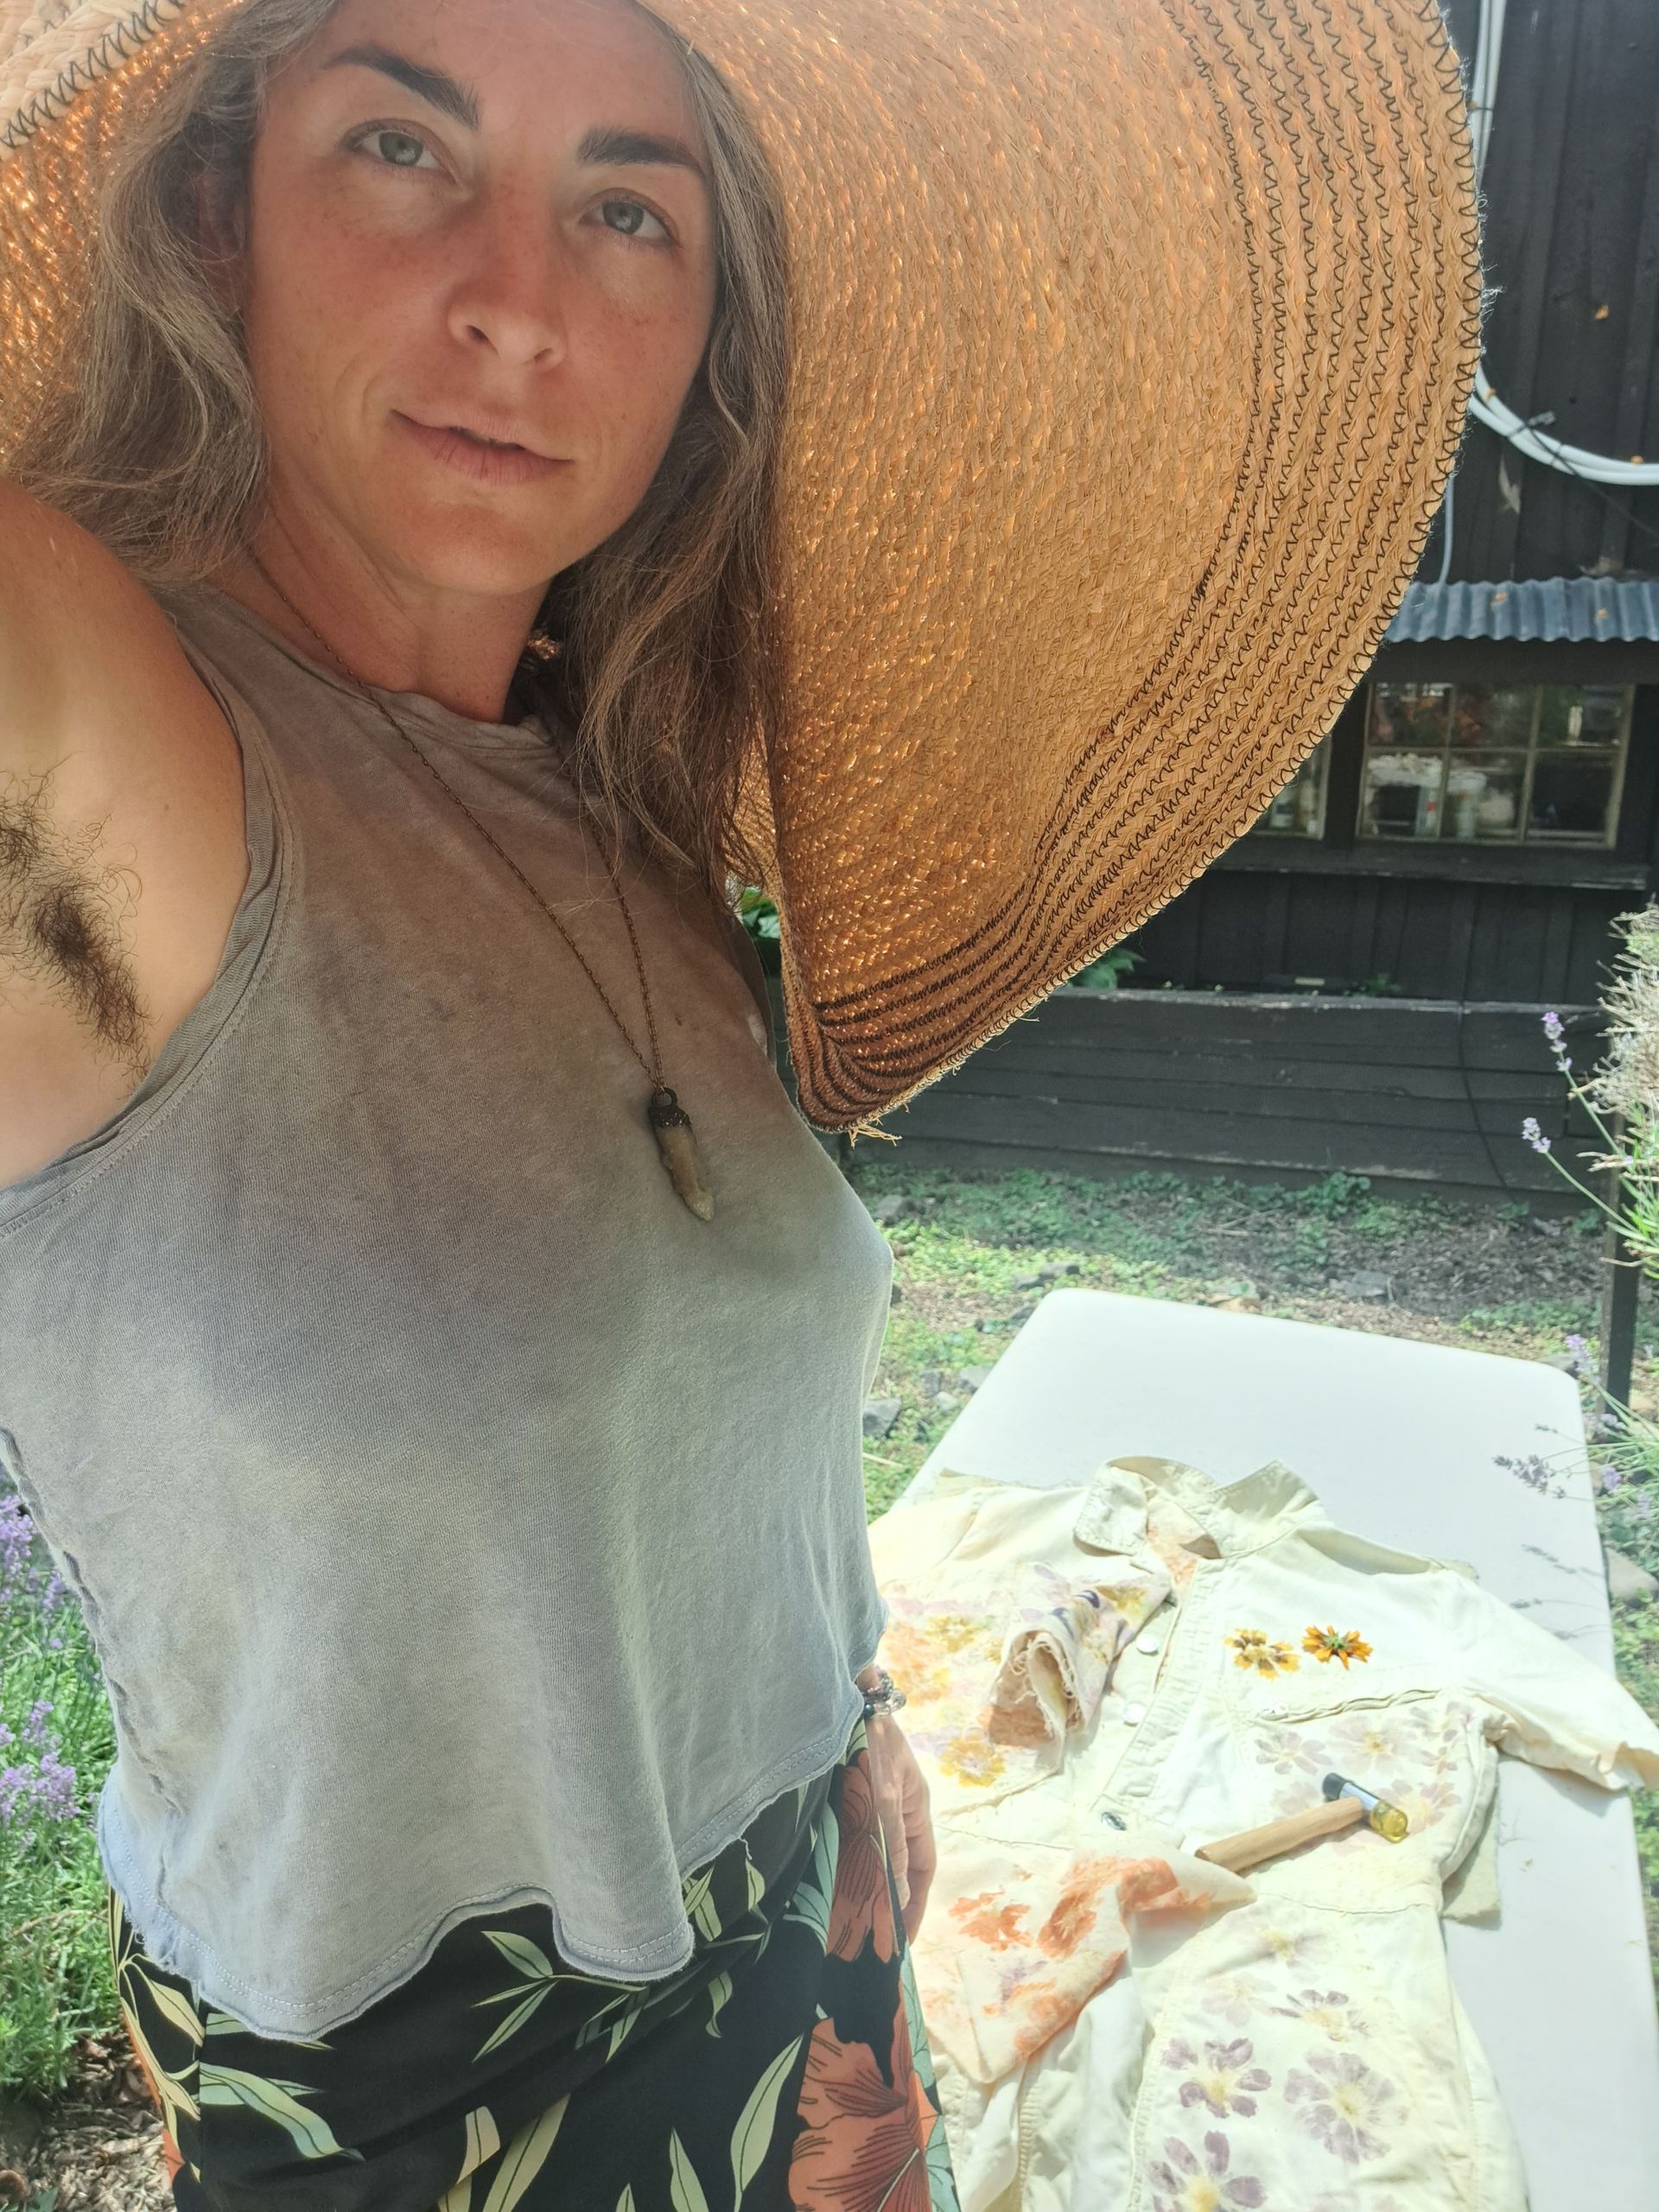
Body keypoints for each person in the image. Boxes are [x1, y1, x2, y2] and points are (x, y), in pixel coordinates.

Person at [0, 0, 1480, 2205]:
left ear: (708, 334)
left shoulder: (617, 797)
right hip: (423, 2103)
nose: (517, 299)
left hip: (816, 1949)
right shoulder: (97, 750)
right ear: (219, 213)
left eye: (630, 209)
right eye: (402, 148)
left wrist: (859, 1757)